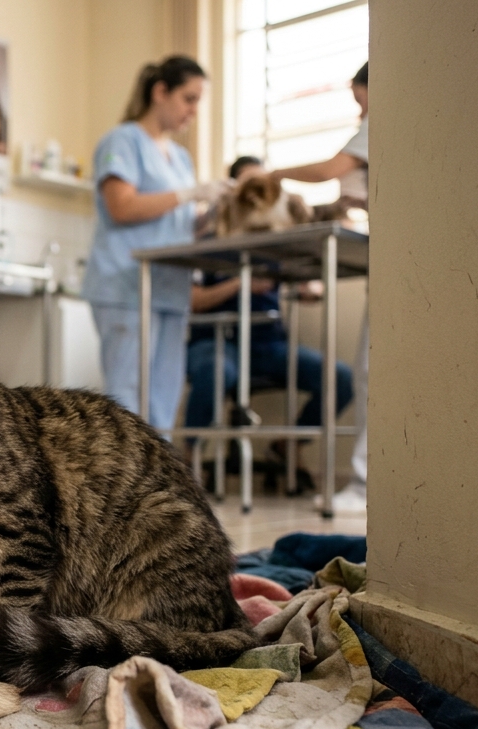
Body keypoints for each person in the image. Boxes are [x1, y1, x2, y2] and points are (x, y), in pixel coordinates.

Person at [184, 156, 355, 484]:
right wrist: (239, 283)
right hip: (217, 340)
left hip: (268, 344)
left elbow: (310, 284)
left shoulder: (277, 242)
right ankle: (189, 456)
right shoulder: (207, 244)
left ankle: (288, 445)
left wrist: (308, 286)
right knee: (215, 371)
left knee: (340, 378)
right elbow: (193, 302)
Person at [85, 56, 229, 429]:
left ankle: (160, 483)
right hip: (126, 285)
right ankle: (125, 486)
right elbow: (121, 206)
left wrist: (213, 210)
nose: (194, 111)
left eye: (199, 102)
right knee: (127, 397)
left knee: (164, 395)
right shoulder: (123, 140)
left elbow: (181, 227)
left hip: (170, 289)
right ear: (160, 92)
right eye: (189, 98)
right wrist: (189, 194)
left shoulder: (180, 158)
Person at [269, 62, 369, 513]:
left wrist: (273, 175)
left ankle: (366, 484)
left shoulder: (384, 122)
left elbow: (332, 168)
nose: (358, 109)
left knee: (364, 373)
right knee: (367, 371)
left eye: (359, 96)